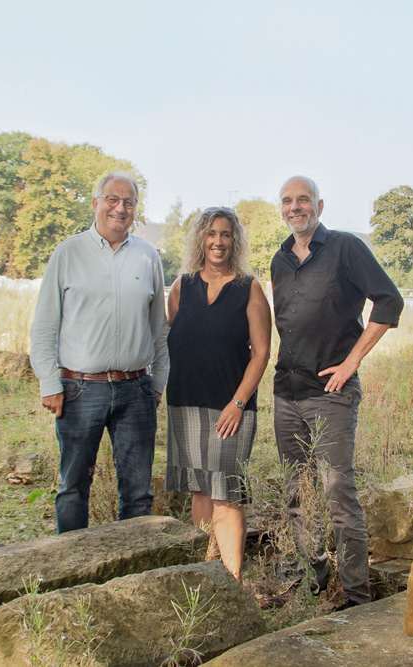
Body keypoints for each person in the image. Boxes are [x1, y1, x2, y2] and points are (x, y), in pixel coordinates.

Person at [271, 175, 403, 608]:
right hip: (286, 393)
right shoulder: (280, 260)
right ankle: (312, 576)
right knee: (298, 491)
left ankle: (356, 594)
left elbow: (389, 301)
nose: (295, 207)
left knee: (337, 492)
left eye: (303, 200)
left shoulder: (345, 248)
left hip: (330, 395)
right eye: (288, 201)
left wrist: (352, 361)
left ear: (320, 206)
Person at [30, 170, 168, 534]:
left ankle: (133, 573)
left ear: (135, 209)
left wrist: (158, 385)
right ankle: (72, 573)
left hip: (136, 389)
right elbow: (45, 325)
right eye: (112, 199)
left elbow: (159, 329)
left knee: (138, 493)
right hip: (79, 390)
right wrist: (49, 382)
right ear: (95, 203)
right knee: (74, 487)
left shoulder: (147, 255)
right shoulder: (68, 253)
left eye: (128, 202)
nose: (120, 208)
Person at [165, 206, 271, 580]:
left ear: (235, 241)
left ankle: (233, 582)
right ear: (200, 239)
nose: (218, 242)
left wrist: (238, 402)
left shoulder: (249, 289)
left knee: (227, 494)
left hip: (232, 407)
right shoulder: (181, 286)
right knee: (200, 491)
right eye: (211, 234)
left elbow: (261, 353)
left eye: (226, 234)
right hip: (185, 403)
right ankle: (207, 578)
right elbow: (177, 337)